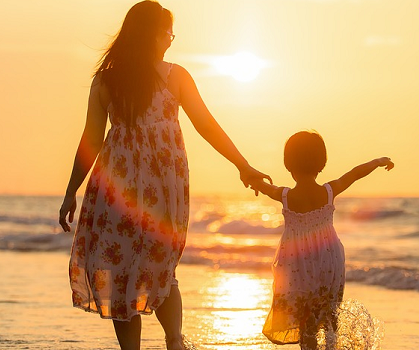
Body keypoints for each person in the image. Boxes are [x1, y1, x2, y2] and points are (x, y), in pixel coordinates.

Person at [58, 1, 270, 349]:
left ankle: (163, 344)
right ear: (153, 34)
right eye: (168, 32)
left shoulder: (108, 79)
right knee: (160, 267)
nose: (171, 39)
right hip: (161, 185)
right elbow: (207, 125)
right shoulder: (174, 76)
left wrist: (71, 192)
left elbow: (91, 141)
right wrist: (241, 164)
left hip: (117, 185)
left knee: (122, 269)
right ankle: (175, 342)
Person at [249, 131, 393, 350]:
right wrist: (377, 162)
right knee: (329, 313)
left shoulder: (286, 195)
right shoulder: (328, 191)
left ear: (288, 165)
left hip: (297, 264)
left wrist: (250, 179)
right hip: (329, 259)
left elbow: (263, 187)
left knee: (305, 320)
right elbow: (354, 174)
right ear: (321, 163)